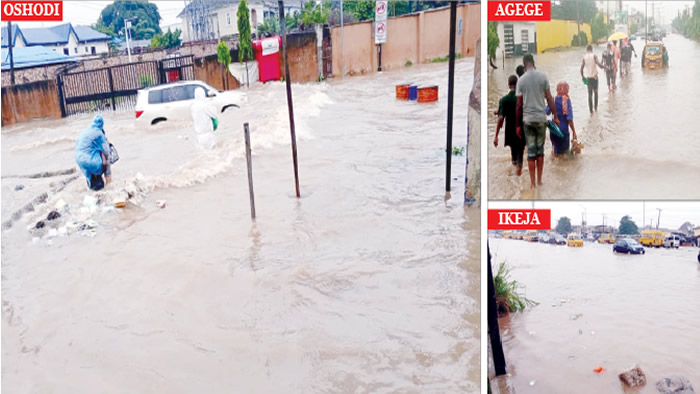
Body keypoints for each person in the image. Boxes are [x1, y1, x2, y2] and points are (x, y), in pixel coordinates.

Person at [516, 54, 558, 189]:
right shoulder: (543, 76)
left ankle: (532, 184)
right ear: (534, 63)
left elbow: (518, 105)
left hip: (527, 121)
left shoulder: (521, 80)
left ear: (524, 65)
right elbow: (550, 98)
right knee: (540, 151)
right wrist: (555, 115)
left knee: (531, 153)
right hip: (541, 120)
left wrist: (517, 125)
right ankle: (540, 181)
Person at [494, 75, 525, 176]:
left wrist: (496, 135)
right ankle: (519, 178)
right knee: (520, 152)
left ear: (508, 85)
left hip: (509, 131)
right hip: (521, 129)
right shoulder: (523, 98)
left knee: (513, 155)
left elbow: (501, 118)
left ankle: (514, 180)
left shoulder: (503, 100)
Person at [75, 114, 112, 191]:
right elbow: (107, 152)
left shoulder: (86, 131)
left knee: (91, 181)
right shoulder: (99, 133)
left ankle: (91, 189)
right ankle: (105, 188)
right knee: (104, 160)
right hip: (90, 161)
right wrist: (108, 175)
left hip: (78, 158)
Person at [546, 81, 577, 157]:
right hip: (564, 131)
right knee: (565, 154)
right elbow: (569, 119)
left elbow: (547, 112)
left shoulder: (553, 99)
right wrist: (574, 131)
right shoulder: (567, 101)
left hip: (554, 130)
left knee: (555, 152)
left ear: (557, 90)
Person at [580, 44, 605, 113]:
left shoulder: (584, 58)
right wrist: (605, 67)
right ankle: (596, 108)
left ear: (587, 50)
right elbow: (599, 64)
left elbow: (581, 69)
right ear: (592, 49)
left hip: (588, 78)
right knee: (596, 93)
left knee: (589, 95)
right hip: (595, 78)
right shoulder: (594, 56)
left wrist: (582, 77)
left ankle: (591, 111)